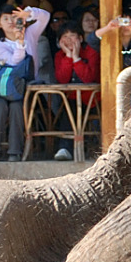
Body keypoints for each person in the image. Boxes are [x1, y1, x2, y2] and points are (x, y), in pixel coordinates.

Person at [0, 3, 49, 162]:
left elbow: (45, 16)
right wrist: (19, 44)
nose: (11, 21)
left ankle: (15, 151)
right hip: (4, 88)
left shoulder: (31, 34)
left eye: (14, 17)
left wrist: (29, 13)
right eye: (5, 19)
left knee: (16, 107)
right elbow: (14, 62)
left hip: (26, 87)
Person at [50, 23, 100, 160]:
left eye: (73, 36)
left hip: (92, 99)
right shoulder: (60, 55)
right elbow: (62, 79)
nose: (69, 40)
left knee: (73, 108)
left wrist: (77, 58)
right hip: (70, 97)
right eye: (65, 37)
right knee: (69, 108)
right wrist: (68, 56)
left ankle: (67, 147)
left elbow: (88, 78)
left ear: (81, 38)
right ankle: (65, 148)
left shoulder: (91, 52)